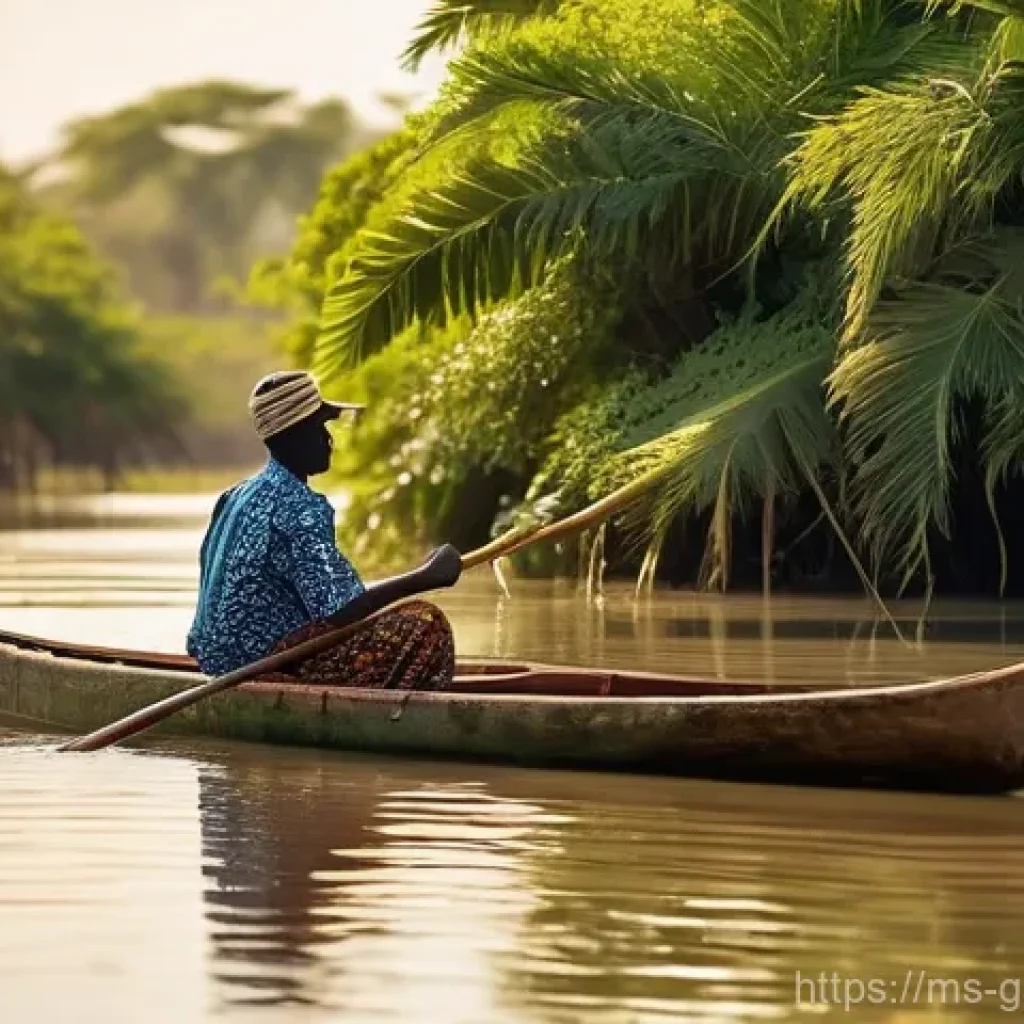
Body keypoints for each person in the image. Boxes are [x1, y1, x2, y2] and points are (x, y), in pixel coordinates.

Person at [187, 370, 462, 689]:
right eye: (319, 428)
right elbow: (343, 610)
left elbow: (340, 599)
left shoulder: (234, 496)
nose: (328, 440)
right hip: (259, 668)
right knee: (425, 624)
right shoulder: (299, 506)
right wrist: (425, 578)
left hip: (216, 662)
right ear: (294, 434)